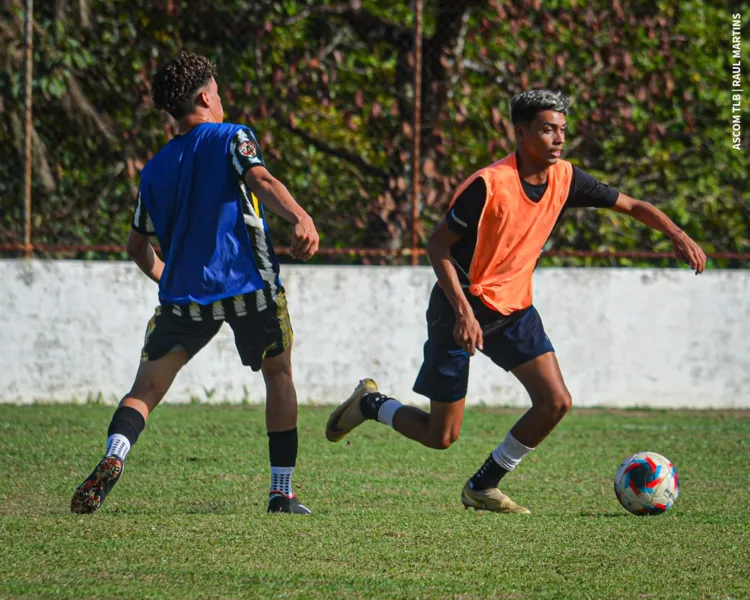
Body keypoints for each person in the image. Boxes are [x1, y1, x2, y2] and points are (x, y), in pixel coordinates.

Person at [325, 89, 706, 514]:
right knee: (441, 436)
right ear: (520, 132)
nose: (558, 139)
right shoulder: (488, 185)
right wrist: (464, 312)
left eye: (562, 130)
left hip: (514, 309)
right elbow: (438, 247)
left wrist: (678, 235)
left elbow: (632, 205)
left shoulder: (566, 178)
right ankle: (370, 405)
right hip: (459, 308)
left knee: (555, 402)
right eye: (547, 130)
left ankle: (483, 486)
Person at [71, 52, 319, 516]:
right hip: (248, 287)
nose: (221, 100)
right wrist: (300, 216)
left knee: (145, 390)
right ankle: (280, 492)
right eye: (218, 92)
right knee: (278, 376)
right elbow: (260, 179)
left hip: (185, 297)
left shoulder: (155, 169)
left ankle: (115, 454)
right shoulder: (232, 137)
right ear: (206, 97)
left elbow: (137, 247)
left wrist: (171, 276)